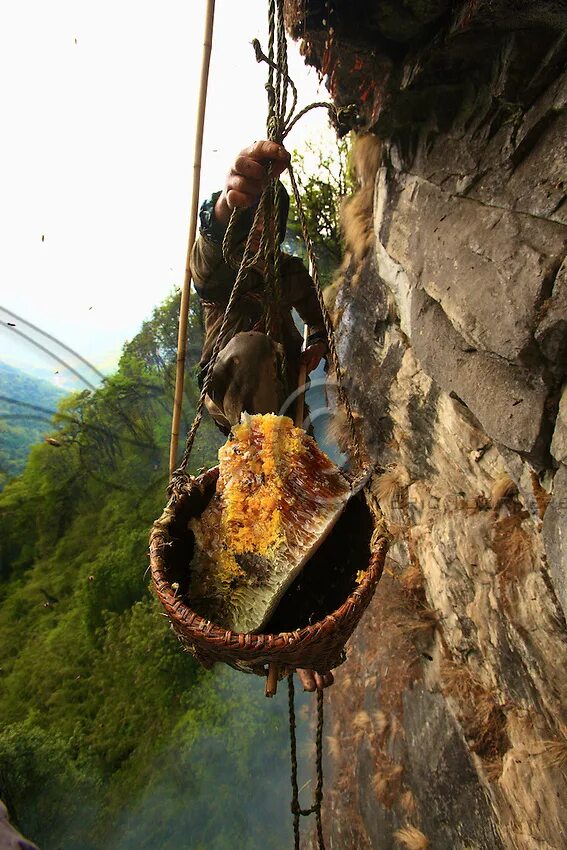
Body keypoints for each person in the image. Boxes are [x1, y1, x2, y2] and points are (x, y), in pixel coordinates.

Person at [191, 140, 334, 692]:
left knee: (303, 514)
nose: (258, 238)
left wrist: (316, 344)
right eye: (252, 225)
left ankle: (305, 639)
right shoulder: (222, 273)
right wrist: (232, 201)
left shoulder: (289, 272)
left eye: (266, 225)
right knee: (261, 514)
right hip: (240, 408)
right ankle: (276, 637)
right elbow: (210, 243)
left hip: (287, 413)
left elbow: (315, 312)